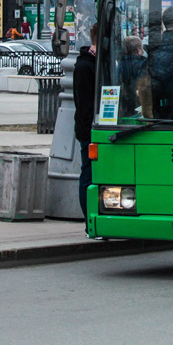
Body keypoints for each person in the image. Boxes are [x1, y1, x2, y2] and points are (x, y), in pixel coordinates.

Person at [73, 23, 97, 221]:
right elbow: (85, 104)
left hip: (94, 126)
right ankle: (88, 216)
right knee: (88, 173)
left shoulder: (94, 62)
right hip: (88, 128)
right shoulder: (85, 65)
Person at [118, 35, 146, 118]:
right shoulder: (144, 63)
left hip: (126, 102)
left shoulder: (120, 64)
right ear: (138, 50)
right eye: (142, 48)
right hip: (140, 101)